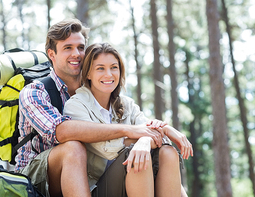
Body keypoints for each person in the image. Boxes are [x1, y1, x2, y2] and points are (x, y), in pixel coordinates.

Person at [15, 19, 174, 197]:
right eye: (68, 48)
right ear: (52, 54)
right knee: (73, 148)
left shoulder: (99, 92)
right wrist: (131, 131)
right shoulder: (35, 92)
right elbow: (61, 132)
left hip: (89, 173)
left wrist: (150, 136)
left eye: (81, 47)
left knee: (158, 156)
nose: (76, 54)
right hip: (36, 175)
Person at [63, 43, 193, 197]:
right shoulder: (76, 105)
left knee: (167, 152)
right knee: (136, 155)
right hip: (101, 187)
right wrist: (146, 138)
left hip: (134, 180)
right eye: (100, 68)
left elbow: (154, 134)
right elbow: (109, 149)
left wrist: (153, 136)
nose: (109, 74)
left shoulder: (126, 104)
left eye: (114, 67)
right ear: (88, 74)